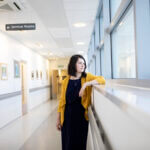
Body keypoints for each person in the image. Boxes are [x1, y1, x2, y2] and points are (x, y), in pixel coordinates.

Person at [56, 54, 105, 150]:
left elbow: (102, 80)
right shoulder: (66, 81)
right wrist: (58, 119)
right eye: (80, 63)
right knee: (67, 144)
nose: (83, 65)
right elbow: (62, 102)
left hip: (81, 118)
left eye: (84, 63)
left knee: (80, 144)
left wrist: (86, 84)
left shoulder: (87, 77)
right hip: (67, 117)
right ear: (73, 64)